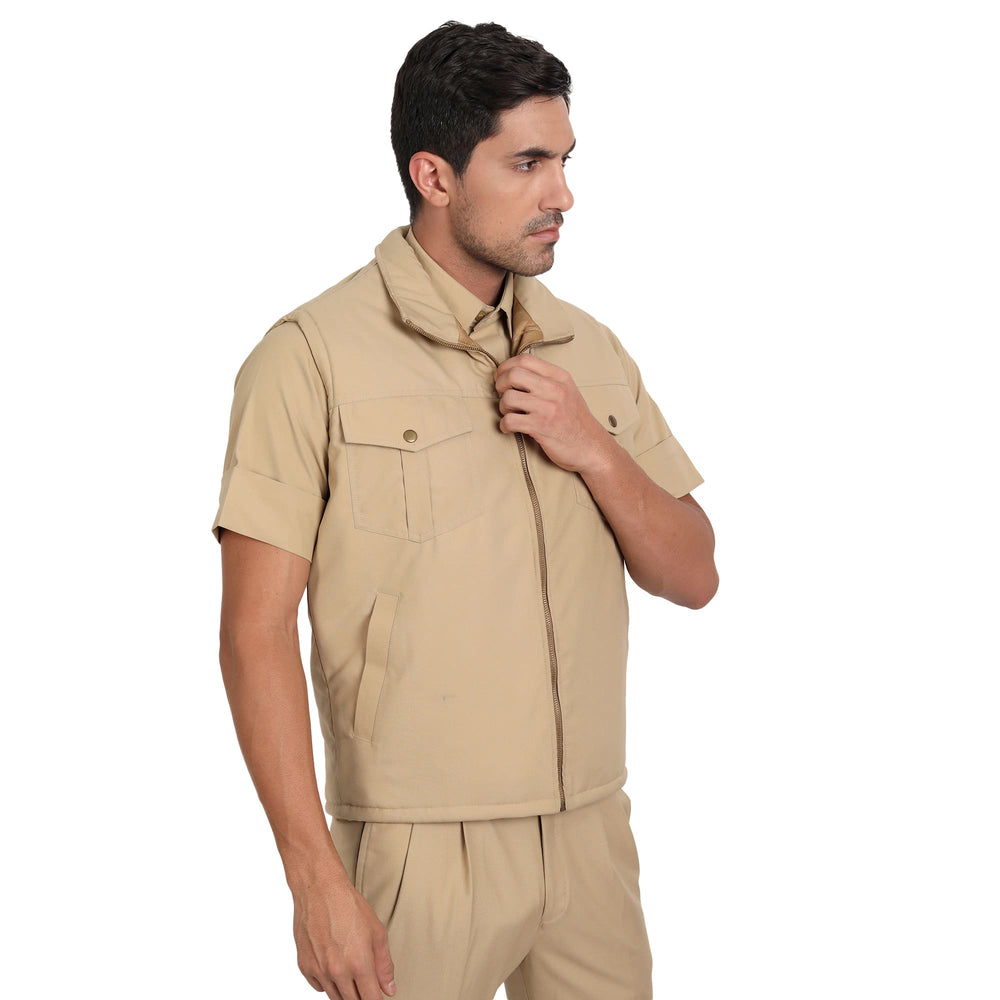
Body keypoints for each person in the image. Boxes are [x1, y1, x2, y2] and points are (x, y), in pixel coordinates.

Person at [213, 20, 718, 1000]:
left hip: (590, 837)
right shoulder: (310, 357)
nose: (561, 194)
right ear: (434, 176)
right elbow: (253, 632)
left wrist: (591, 446)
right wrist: (313, 877)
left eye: (564, 160)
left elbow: (693, 573)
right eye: (527, 163)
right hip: (418, 850)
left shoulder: (588, 350)